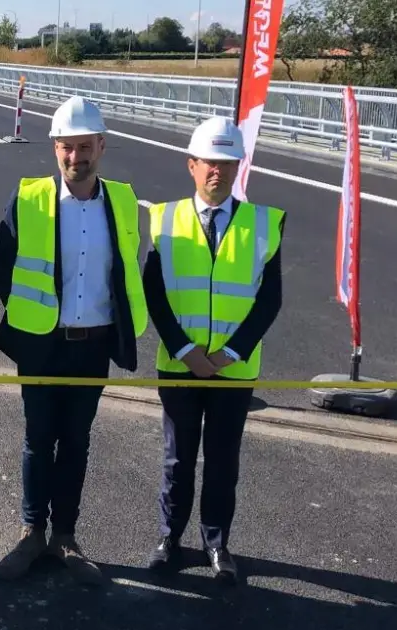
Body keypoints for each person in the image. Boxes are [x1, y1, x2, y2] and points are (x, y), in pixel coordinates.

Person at [0, 96, 148, 586]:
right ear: (55, 149)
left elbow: (125, 267)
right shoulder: (32, 198)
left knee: (76, 441)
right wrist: (31, 318)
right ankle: (32, 532)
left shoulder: (121, 201)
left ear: (101, 146)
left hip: (93, 343)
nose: (76, 157)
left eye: (85, 147)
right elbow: (4, 265)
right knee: (39, 440)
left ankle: (66, 536)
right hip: (42, 341)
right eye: (67, 148)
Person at [141, 116, 285, 585]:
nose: (217, 172)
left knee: (223, 461)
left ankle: (217, 544)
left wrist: (230, 354)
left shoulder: (265, 223)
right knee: (177, 459)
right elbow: (153, 292)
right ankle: (170, 539)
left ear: (238, 166)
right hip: (180, 364)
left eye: (227, 163)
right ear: (192, 165)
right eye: (208, 163)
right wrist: (185, 350)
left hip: (232, 370)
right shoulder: (164, 219)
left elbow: (270, 299)